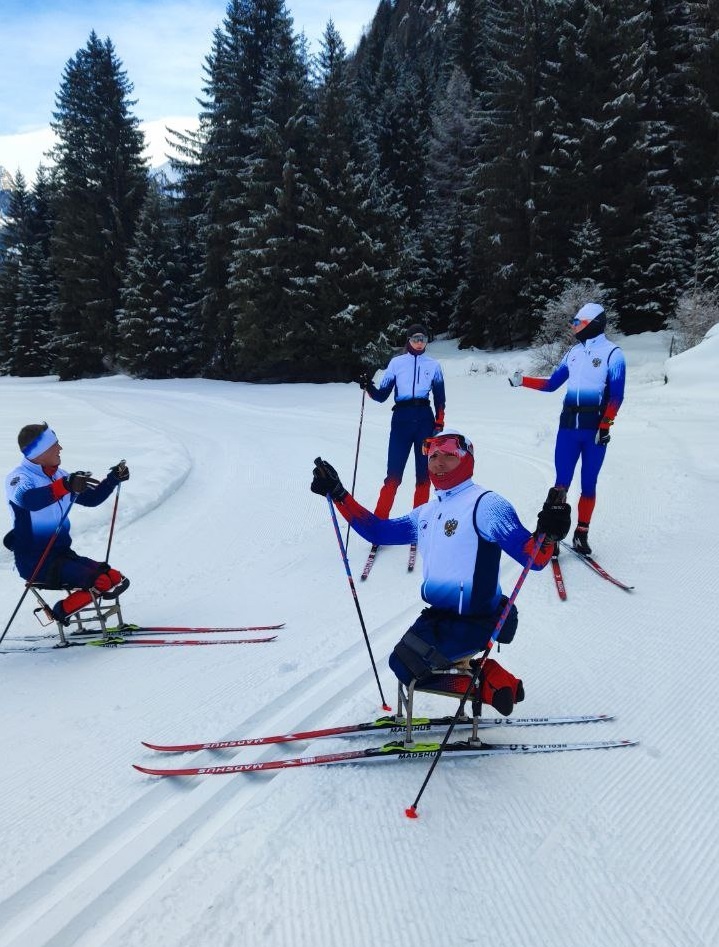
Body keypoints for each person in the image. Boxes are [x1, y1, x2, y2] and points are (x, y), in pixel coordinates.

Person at [311, 429, 570, 714]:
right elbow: (378, 531)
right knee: (400, 663)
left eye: (449, 455)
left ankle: (490, 683)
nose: (438, 462)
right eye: (433, 456)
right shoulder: (426, 512)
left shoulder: (486, 504)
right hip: (440, 615)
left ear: (467, 460)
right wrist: (338, 494)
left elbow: (534, 558)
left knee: (409, 665)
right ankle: (493, 680)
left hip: (478, 618)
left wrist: (549, 532)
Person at [508, 302, 626, 555]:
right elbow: (552, 384)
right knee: (561, 482)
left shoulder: (613, 354)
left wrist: (605, 425)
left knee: (589, 483)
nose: (573, 327)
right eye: (573, 323)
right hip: (568, 429)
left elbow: (617, 396)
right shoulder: (573, 353)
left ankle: (581, 534)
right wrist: (522, 381)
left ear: (593, 323)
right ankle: (551, 533)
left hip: (594, 429)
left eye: (577, 323)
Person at [5, 423, 130, 624]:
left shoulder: (60, 475)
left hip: (62, 555)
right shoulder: (19, 478)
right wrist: (64, 485)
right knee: (101, 581)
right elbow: (30, 500)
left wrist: (113, 479)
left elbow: (91, 499)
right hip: (36, 562)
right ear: (40, 451)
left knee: (115, 577)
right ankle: (60, 611)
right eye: (55, 445)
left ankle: (64, 610)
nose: (60, 448)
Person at [359, 324, 445, 518]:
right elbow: (382, 395)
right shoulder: (396, 363)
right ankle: (380, 521)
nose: (419, 342)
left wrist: (438, 424)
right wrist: (368, 387)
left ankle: (418, 521)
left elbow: (440, 399)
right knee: (393, 475)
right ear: (408, 340)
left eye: (423, 338)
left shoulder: (433, 365)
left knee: (424, 475)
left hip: (425, 421)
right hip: (401, 421)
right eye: (415, 338)